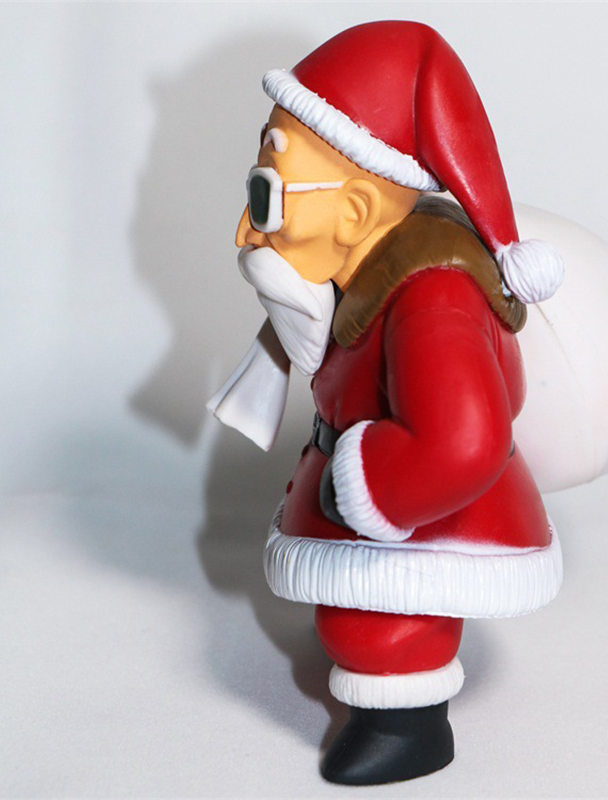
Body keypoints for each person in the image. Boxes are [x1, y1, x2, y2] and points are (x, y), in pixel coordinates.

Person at [217, 21, 566, 785]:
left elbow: (462, 441)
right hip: (366, 494)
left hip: (420, 524)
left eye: (265, 197)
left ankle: (404, 720)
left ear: (352, 214)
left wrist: (366, 490)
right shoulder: (358, 279)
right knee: (350, 616)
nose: (247, 227)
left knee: (379, 627)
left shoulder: (432, 299)